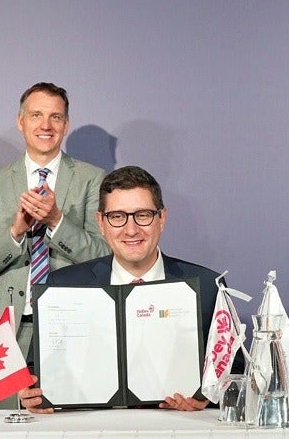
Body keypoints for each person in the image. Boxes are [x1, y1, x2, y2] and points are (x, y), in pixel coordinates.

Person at [19, 165, 221, 413]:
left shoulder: (208, 287)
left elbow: (235, 373)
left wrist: (207, 396)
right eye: (117, 217)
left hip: (179, 436)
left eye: (143, 215)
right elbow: (35, 373)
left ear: (162, 219)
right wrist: (32, 394)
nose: (131, 229)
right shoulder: (62, 286)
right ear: (101, 222)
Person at [0, 82, 108, 406]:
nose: (45, 125)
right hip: (9, 331)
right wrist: (16, 230)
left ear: (66, 125)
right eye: (36, 115)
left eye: (55, 117)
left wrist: (57, 222)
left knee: (70, 433)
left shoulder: (92, 178)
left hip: (72, 328)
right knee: (4, 436)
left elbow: (103, 258)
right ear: (21, 121)